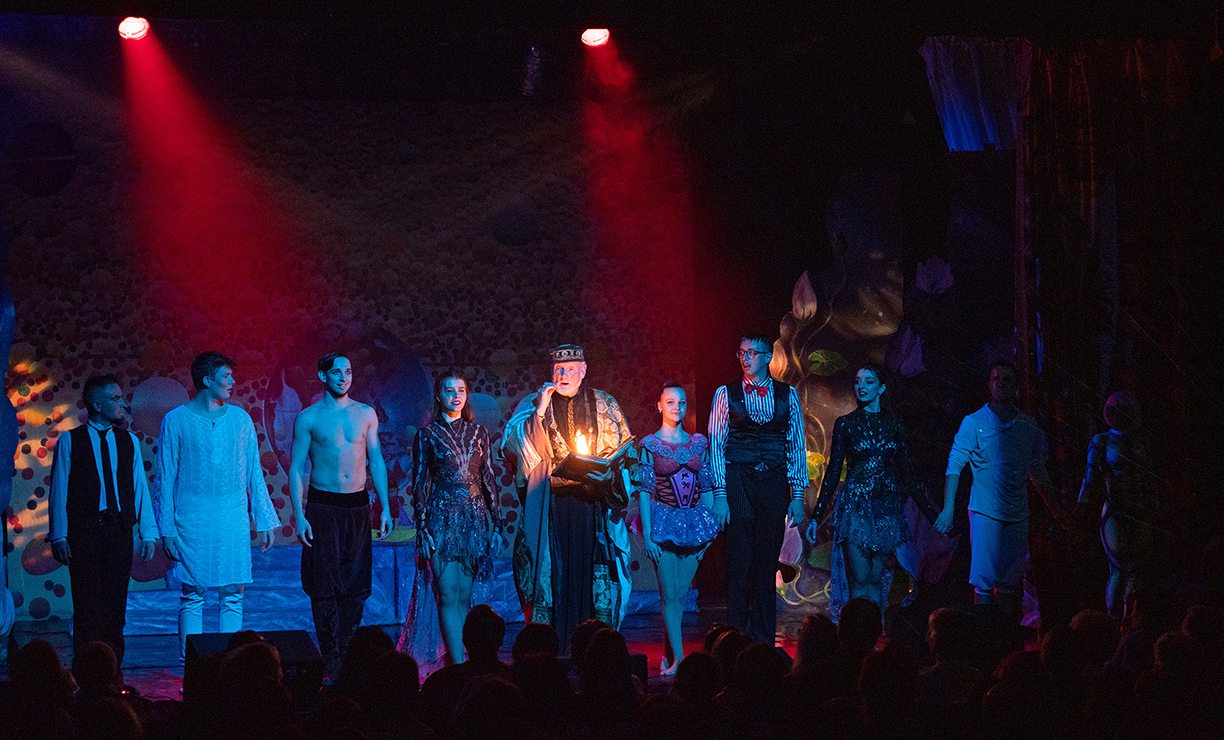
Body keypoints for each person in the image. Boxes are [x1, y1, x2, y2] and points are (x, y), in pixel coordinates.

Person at [501, 344, 636, 653]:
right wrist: (539, 411)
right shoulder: (534, 403)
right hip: (552, 507)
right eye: (558, 369)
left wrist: (606, 471)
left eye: (570, 369)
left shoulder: (605, 403)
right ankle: (555, 647)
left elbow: (625, 452)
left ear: (583, 371)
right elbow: (513, 447)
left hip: (593, 508)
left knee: (591, 576)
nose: (563, 375)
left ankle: (594, 648)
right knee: (555, 577)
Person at [155, 351, 279, 659]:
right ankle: (192, 665)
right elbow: (165, 479)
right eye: (226, 376)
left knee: (233, 593)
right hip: (191, 519)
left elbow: (253, 471)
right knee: (193, 595)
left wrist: (264, 519)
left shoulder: (240, 419)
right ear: (207, 380)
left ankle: (231, 664)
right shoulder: (176, 420)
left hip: (231, 517)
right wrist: (167, 529)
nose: (232, 381)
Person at [288, 352, 393, 680]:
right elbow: (296, 468)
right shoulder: (309, 417)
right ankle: (330, 656)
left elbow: (376, 460)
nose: (344, 378)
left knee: (356, 583)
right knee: (324, 584)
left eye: (348, 372)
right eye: (336, 372)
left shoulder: (365, 414)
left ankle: (346, 652)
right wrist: (298, 513)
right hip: (323, 506)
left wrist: (385, 506)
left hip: (358, 506)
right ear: (323, 376)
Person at [48, 374, 158, 669]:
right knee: (87, 605)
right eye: (115, 398)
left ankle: (112, 668)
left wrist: (148, 532)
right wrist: (59, 535)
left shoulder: (128, 440)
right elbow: (59, 489)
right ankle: (87, 669)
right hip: (85, 533)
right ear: (97, 404)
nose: (122, 403)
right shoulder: (71, 440)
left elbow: (139, 486)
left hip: (119, 531)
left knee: (115, 605)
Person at [809, 364, 935, 617]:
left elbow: (908, 475)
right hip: (855, 507)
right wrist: (816, 515)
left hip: (885, 509)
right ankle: (858, 634)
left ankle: (874, 633)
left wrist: (934, 517)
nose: (861, 386)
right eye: (858, 381)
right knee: (860, 578)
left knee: (876, 579)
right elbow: (833, 473)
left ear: (882, 387)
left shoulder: (895, 425)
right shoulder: (846, 424)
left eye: (868, 381)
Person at [708, 333, 808, 645]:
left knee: (766, 564)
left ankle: (764, 639)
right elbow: (716, 446)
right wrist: (720, 495)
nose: (746, 358)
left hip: (773, 482)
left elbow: (795, 445)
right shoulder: (726, 393)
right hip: (739, 480)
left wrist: (798, 496)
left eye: (752, 353)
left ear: (767, 357)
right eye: (741, 353)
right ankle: (736, 638)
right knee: (739, 562)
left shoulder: (787, 394)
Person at [935, 360, 1057, 616]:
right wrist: (947, 509)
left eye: (1007, 379)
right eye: (996, 379)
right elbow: (955, 464)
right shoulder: (974, 422)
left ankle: (1005, 633)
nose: (1001, 384)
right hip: (985, 511)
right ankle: (985, 633)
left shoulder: (1028, 426)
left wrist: (1056, 508)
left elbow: (1037, 470)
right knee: (984, 580)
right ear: (989, 384)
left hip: (1017, 513)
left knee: (1011, 581)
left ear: (1016, 386)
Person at [398, 371, 501, 669]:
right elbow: (419, 484)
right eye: (450, 390)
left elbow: (488, 479)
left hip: (473, 518)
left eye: (461, 390)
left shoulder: (479, 432)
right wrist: (422, 527)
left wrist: (497, 524)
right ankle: (457, 667)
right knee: (447, 594)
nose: (456, 396)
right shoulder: (427, 435)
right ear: (439, 395)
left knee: (464, 595)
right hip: (441, 518)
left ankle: (467, 662)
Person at [637, 383, 720, 674]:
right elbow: (644, 492)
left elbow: (706, 487)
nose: (677, 407)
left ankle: (667, 653)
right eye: (670, 402)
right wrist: (648, 536)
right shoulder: (651, 445)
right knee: (670, 595)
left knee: (680, 597)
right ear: (659, 406)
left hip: (694, 526)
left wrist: (708, 532)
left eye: (681, 402)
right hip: (663, 524)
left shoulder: (698, 443)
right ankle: (680, 660)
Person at [1076, 390, 1158, 620]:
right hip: (1116, 508)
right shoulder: (1102, 440)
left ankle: (1129, 620)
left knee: (1135, 571)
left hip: (1141, 508)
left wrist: (1155, 503)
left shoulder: (1142, 440)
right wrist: (1080, 506)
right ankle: (1113, 622)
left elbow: (1150, 476)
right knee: (1118, 569)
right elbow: (1089, 477)